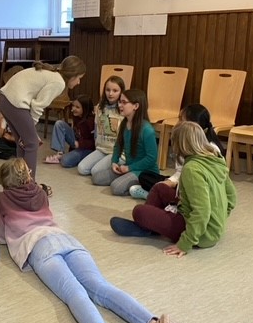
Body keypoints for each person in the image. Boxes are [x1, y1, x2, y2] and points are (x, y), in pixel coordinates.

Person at [0, 158, 185, 323]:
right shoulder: (39, 192)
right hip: (66, 240)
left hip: (38, 246)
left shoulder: (1, 199)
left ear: (5, 182)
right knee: (100, 286)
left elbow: (0, 237)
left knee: (74, 293)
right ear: (27, 175)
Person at [110, 121, 237, 258]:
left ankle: (146, 227)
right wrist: (219, 220)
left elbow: (202, 211)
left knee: (139, 211)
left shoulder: (192, 169)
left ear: (180, 144)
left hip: (202, 234)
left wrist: (185, 243)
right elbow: (232, 197)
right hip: (210, 228)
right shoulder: (216, 159)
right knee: (160, 187)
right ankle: (147, 227)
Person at [0, 55, 86, 179]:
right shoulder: (59, 82)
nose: (78, 82)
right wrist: (32, 127)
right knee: (32, 143)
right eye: (79, 78)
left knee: (22, 143)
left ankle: (19, 181)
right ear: (73, 76)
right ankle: (29, 184)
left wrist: (29, 129)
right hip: (15, 103)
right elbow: (38, 105)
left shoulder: (53, 74)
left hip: (5, 99)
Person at [129, 104, 225, 200]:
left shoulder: (211, 149)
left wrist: (171, 183)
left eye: (181, 120)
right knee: (145, 176)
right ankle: (157, 194)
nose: (177, 123)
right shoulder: (185, 142)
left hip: (195, 190)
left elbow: (199, 180)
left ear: (193, 125)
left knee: (163, 190)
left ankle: (156, 196)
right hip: (182, 181)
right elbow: (180, 171)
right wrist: (170, 181)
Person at [92, 89, 159, 196]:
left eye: (124, 102)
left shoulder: (147, 130)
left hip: (145, 171)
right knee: (97, 178)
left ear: (136, 106)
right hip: (129, 166)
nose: (120, 105)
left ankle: (143, 188)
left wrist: (129, 168)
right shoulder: (124, 123)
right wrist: (114, 162)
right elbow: (118, 145)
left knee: (116, 187)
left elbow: (151, 158)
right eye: (120, 102)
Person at [77, 76, 124, 176]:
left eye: (115, 91)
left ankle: (118, 164)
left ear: (121, 92)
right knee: (82, 168)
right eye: (108, 90)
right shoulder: (99, 107)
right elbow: (96, 129)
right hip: (101, 149)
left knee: (95, 171)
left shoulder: (123, 109)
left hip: (115, 151)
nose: (110, 93)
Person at [44, 94, 95, 168]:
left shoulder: (91, 121)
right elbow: (75, 132)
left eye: (77, 107)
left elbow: (94, 142)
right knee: (59, 124)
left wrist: (80, 144)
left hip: (87, 148)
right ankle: (60, 153)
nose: (73, 109)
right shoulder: (76, 116)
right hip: (77, 142)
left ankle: (82, 159)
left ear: (85, 108)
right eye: (73, 106)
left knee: (65, 161)